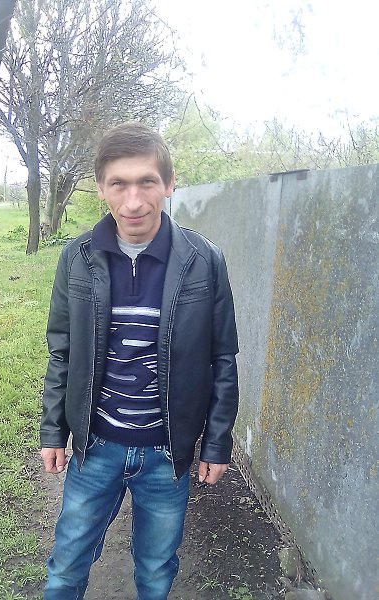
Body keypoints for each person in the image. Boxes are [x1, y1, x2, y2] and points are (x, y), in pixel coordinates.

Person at [40, 122, 239, 600]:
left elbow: (223, 358)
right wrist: (53, 432)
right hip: (95, 448)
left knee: (155, 571)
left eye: (147, 182)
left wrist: (216, 445)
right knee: (66, 568)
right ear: (100, 188)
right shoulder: (77, 258)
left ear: (169, 184)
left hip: (166, 455)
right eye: (119, 184)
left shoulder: (204, 260)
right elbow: (62, 350)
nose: (133, 201)